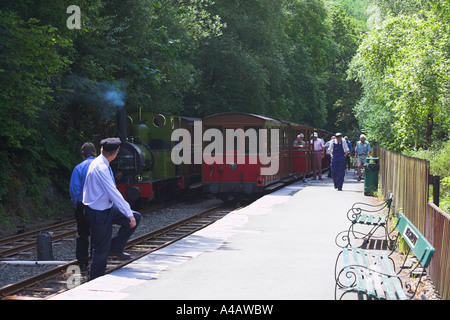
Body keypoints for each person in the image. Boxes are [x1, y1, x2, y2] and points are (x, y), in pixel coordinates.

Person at [83, 137, 141, 281]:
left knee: (136, 217)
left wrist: (130, 215)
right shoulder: (100, 167)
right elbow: (113, 193)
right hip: (98, 212)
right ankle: (95, 280)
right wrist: (128, 213)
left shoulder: (102, 162)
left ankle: (115, 247)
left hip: (106, 208)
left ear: (102, 149)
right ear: (116, 152)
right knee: (101, 248)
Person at [69, 142, 97, 273]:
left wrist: (76, 205)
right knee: (98, 233)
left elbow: (74, 189)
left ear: (82, 154)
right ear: (95, 152)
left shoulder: (78, 168)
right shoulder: (102, 167)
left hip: (82, 204)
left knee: (82, 234)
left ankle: (83, 264)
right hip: (98, 205)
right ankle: (96, 261)